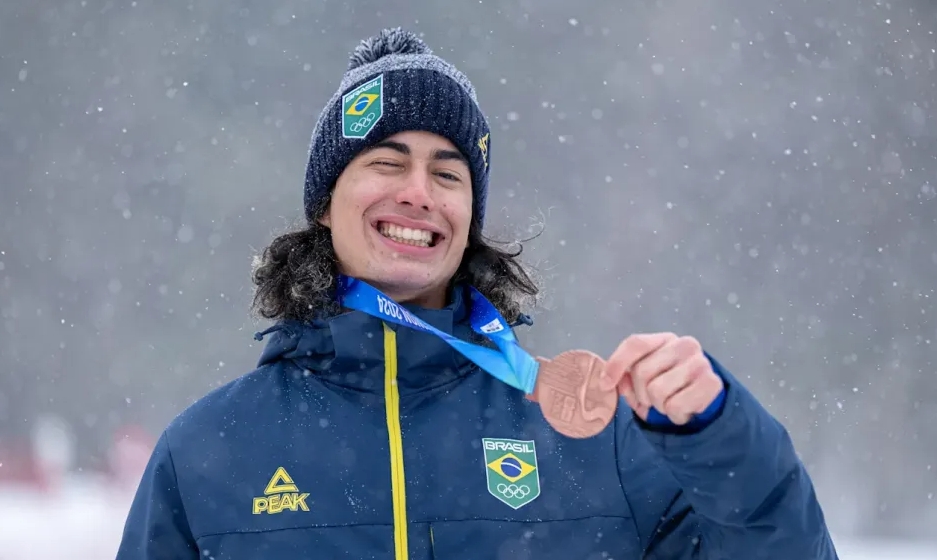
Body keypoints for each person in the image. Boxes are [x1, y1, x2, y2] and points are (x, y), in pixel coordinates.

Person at [115, 27, 839, 560]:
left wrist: (715, 432)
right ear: (326, 205)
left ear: (468, 221)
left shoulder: (597, 441)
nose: (417, 193)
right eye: (385, 162)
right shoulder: (206, 452)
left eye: (447, 173)